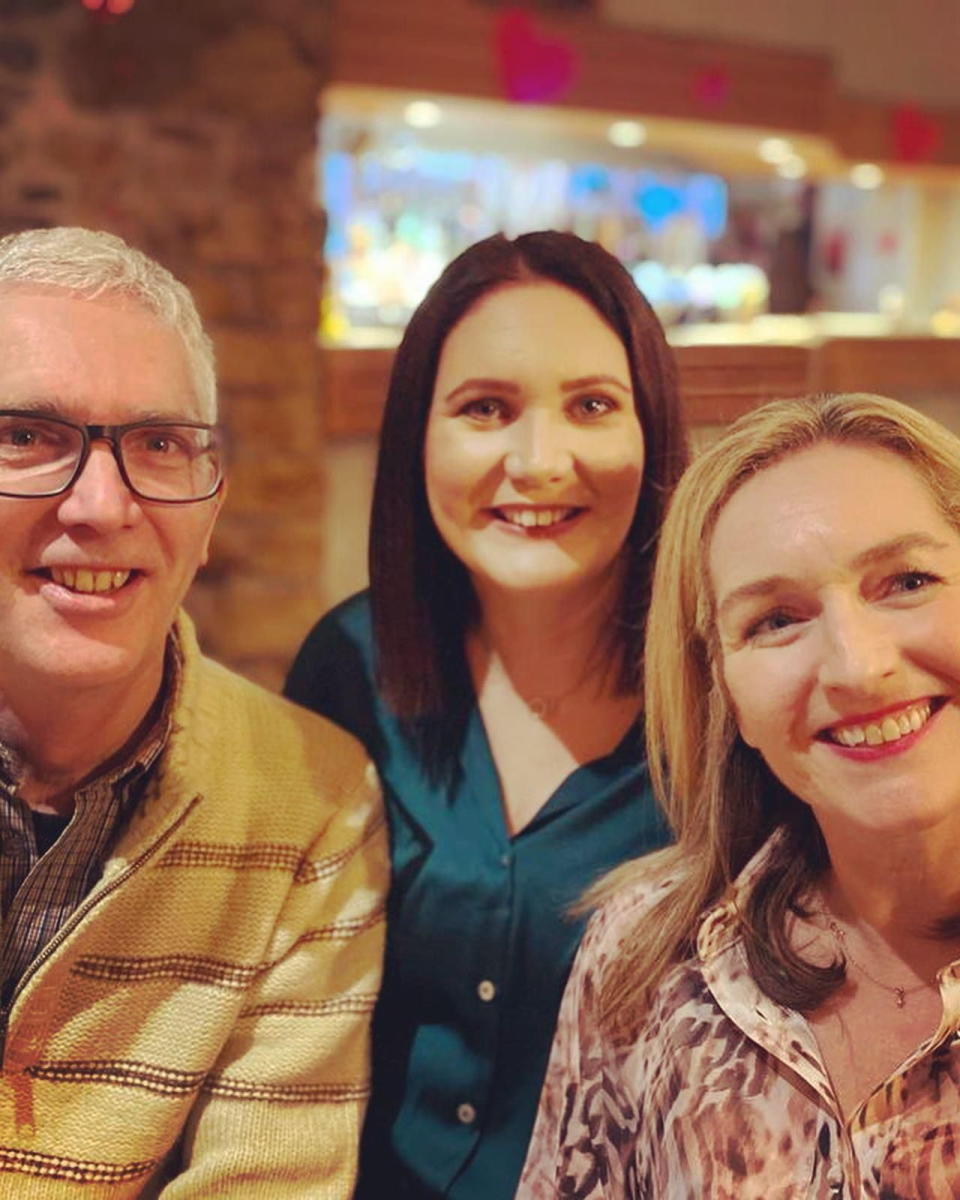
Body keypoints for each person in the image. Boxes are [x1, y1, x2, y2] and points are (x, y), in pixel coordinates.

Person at [284, 231, 688, 1199]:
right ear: (419, 434)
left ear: (653, 432)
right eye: (486, 409)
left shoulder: (723, 705)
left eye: (591, 405)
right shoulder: (351, 669)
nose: (540, 462)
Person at [0, 227, 387, 1198]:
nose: (101, 504)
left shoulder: (308, 800)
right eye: (27, 436)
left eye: (160, 445)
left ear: (211, 514)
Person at [519, 391, 960, 1199]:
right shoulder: (646, 958)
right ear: (723, 690)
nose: (858, 667)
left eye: (906, 580)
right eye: (775, 621)